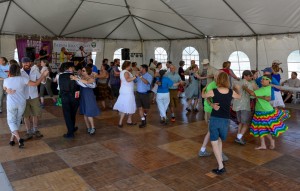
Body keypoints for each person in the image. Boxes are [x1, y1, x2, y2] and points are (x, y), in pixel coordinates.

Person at [202, 72, 241, 175]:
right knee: (219, 140)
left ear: (218, 80)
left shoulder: (213, 91)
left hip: (215, 119)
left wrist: (205, 90)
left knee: (214, 142)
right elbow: (239, 96)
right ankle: (221, 161)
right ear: (227, 81)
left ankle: (221, 166)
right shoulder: (231, 92)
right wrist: (236, 88)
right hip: (225, 120)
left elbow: (203, 95)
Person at [4, 64, 48, 148]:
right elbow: (36, 84)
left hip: (11, 104)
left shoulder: (6, 80)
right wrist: (43, 75)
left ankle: (19, 138)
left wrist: (7, 90)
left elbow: (4, 88)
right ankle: (12, 139)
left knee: (11, 121)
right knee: (17, 120)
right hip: (21, 103)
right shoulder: (23, 79)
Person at [243, 75, 289, 150]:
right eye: (262, 79)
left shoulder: (265, 89)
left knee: (263, 129)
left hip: (265, 112)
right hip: (260, 111)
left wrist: (245, 88)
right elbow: (258, 96)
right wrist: (260, 97)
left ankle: (270, 141)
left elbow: (252, 93)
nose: (262, 80)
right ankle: (263, 144)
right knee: (260, 129)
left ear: (269, 81)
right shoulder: (265, 88)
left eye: (264, 79)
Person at [70, 66, 100, 135]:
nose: (82, 72)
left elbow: (87, 83)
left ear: (87, 71)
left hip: (89, 97)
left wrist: (76, 78)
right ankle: (88, 127)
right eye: (82, 70)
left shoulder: (91, 78)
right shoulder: (81, 77)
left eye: (83, 71)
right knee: (84, 113)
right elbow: (79, 82)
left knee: (88, 112)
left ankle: (93, 127)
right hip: (83, 96)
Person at [21, 57, 44, 140]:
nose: (26, 64)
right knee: (26, 115)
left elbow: (42, 80)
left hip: (34, 96)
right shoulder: (20, 72)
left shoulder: (35, 70)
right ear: (22, 63)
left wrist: (43, 75)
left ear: (30, 63)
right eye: (24, 63)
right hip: (24, 96)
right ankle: (28, 131)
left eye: (27, 62)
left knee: (36, 114)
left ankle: (35, 129)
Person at [232, 70, 255, 145]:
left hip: (236, 104)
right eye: (249, 76)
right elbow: (252, 95)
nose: (250, 77)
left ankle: (238, 136)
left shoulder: (237, 82)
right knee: (246, 123)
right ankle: (239, 137)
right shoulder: (249, 84)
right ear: (245, 76)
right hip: (244, 105)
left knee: (240, 122)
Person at [59, 62, 80, 138]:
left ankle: (70, 132)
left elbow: (59, 88)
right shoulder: (76, 76)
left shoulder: (60, 76)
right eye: (73, 67)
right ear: (69, 68)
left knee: (67, 115)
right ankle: (72, 129)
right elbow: (79, 85)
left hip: (65, 97)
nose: (74, 68)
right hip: (75, 97)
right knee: (73, 114)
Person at [113, 61, 137, 127]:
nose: (131, 67)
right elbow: (128, 80)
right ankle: (121, 122)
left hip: (124, 90)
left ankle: (129, 120)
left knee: (127, 105)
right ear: (128, 66)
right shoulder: (126, 72)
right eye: (130, 65)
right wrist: (135, 76)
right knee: (128, 105)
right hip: (127, 91)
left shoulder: (122, 72)